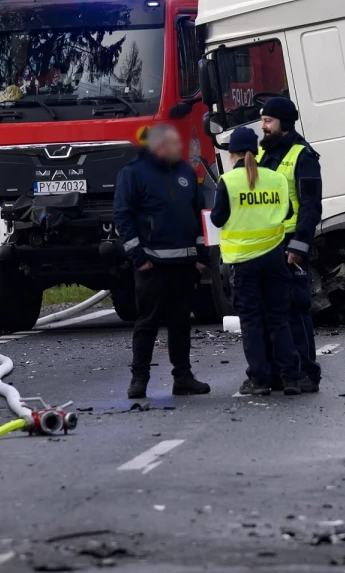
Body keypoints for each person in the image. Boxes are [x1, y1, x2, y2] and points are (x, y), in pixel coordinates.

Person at [113, 125, 211, 399]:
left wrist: (200, 257)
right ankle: (139, 380)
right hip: (152, 267)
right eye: (173, 144)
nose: (179, 149)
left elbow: (198, 216)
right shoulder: (133, 174)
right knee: (147, 324)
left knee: (181, 324)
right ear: (158, 147)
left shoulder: (185, 173)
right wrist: (139, 258)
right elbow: (122, 218)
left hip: (184, 266)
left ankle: (183, 377)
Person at [210, 127, 303, 395]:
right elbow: (285, 212)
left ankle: (260, 379)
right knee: (278, 318)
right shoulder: (276, 179)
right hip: (274, 256)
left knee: (251, 321)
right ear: (256, 149)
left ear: (233, 154)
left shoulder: (228, 182)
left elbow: (217, 219)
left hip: (243, 261)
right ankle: (291, 378)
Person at [257, 97, 322, 392]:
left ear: (284, 122)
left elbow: (310, 205)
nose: (263, 126)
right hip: (263, 244)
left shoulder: (303, 155)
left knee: (295, 309)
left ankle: (308, 372)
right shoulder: (261, 153)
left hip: (289, 243)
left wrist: (299, 245)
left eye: (268, 121)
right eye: (263, 120)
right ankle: (279, 372)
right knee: (269, 311)